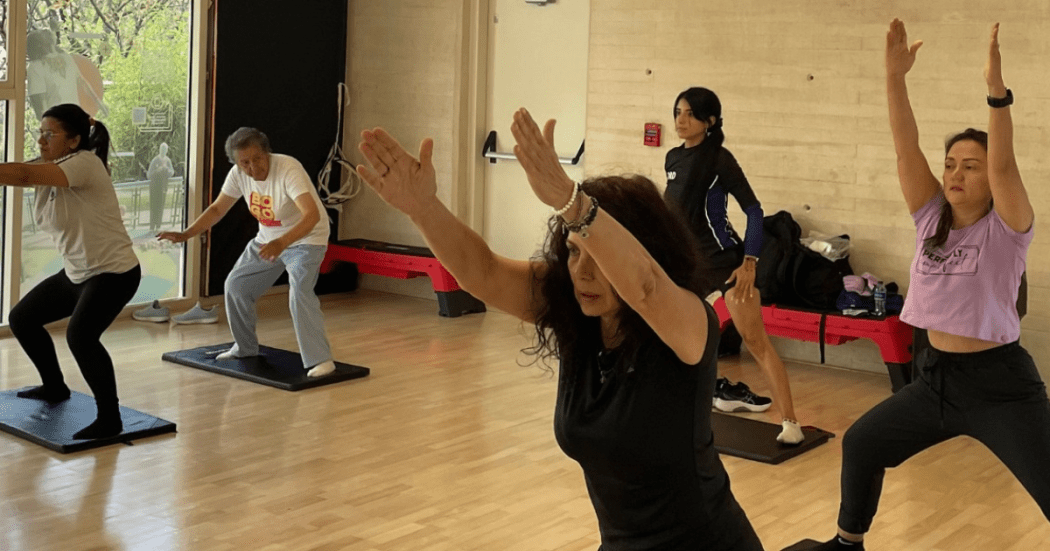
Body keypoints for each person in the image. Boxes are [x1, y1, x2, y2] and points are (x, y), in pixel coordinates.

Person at [356, 109, 765, 550]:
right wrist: (423, 208)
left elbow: (644, 287)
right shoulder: (578, 313)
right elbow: (484, 271)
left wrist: (573, 202)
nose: (582, 272)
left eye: (596, 255)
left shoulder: (686, 323)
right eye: (572, 251)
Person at [798, 20, 1046, 551]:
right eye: (951, 164)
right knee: (863, 444)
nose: (956, 174)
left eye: (970, 167)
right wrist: (894, 78)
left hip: (999, 385)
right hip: (932, 377)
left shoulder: (1007, 229)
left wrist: (997, 95)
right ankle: (846, 544)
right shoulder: (931, 217)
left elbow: (1004, 165)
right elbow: (905, 146)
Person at [665, 87, 803, 444]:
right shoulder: (673, 159)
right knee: (669, 339)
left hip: (726, 265)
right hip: (689, 268)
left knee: (755, 341)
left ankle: (791, 423)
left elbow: (754, 211)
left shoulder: (719, 160)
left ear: (709, 121)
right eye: (678, 112)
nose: (681, 120)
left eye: (690, 114)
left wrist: (749, 263)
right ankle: (713, 396)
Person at [2, 104, 141, 440]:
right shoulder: (51, 164)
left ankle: (110, 418)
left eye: (50, 134)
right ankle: (54, 387)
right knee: (22, 318)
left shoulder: (84, 163)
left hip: (113, 273)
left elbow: (21, 175)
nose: (41, 140)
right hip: (77, 273)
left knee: (81, 336)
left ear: (75, 140)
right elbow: (15, 172)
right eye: (40, 132)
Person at [158, 128, 336, 378]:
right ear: (236, 163)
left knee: (300, 290)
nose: (252, 167)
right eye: (244, 162)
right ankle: (245, 348)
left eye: (257, 159)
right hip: (268, 240)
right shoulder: (238, 175)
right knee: (236, 285)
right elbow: (218, 208)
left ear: (268, 154)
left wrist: (283, 242)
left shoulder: (288, 168)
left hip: (306, 238)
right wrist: (186, 233)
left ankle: (321, 360)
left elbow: (312, 215)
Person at [147, 142, 175, 231]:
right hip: (154, 187)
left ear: (166, 151)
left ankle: (158, 226)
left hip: (163, 187)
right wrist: (157, 170)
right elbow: (149, 174)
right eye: (162, 149)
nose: (163, 151)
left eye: (165, 150)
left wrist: (167, 169)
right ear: (159, 150)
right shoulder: (155, 160)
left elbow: (172, 172)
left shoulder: (168, 161)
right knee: (153, 206)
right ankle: (152, 226)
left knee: (161, 206)